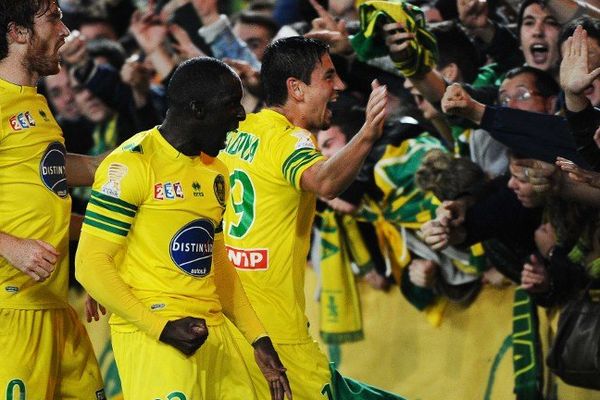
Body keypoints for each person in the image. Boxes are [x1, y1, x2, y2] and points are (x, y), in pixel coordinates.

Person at [75, 56, 292, 400]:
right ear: (197, 109)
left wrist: (258, 339)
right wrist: (161, 329)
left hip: (212, 332)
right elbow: (89, 263)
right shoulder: (131, 164)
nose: (241, 115)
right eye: (231, 105)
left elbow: (217, 264)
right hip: (155, 335)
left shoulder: (217, 172)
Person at [219, 36, 388, 399]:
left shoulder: (237, 132)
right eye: (328, 77)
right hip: (279, 335)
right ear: (295, 88)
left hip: (232, 321)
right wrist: (368, 134)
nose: (340, 86)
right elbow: (324, 182)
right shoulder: (290, 140)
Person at [0, 1, 105, 398]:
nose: (64, 30)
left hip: (56, 304)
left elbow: (47, 172)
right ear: (18, 32)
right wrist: (9, 246)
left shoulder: (34, 102)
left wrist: (119, 162)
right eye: (53, 19)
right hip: (11, 313)